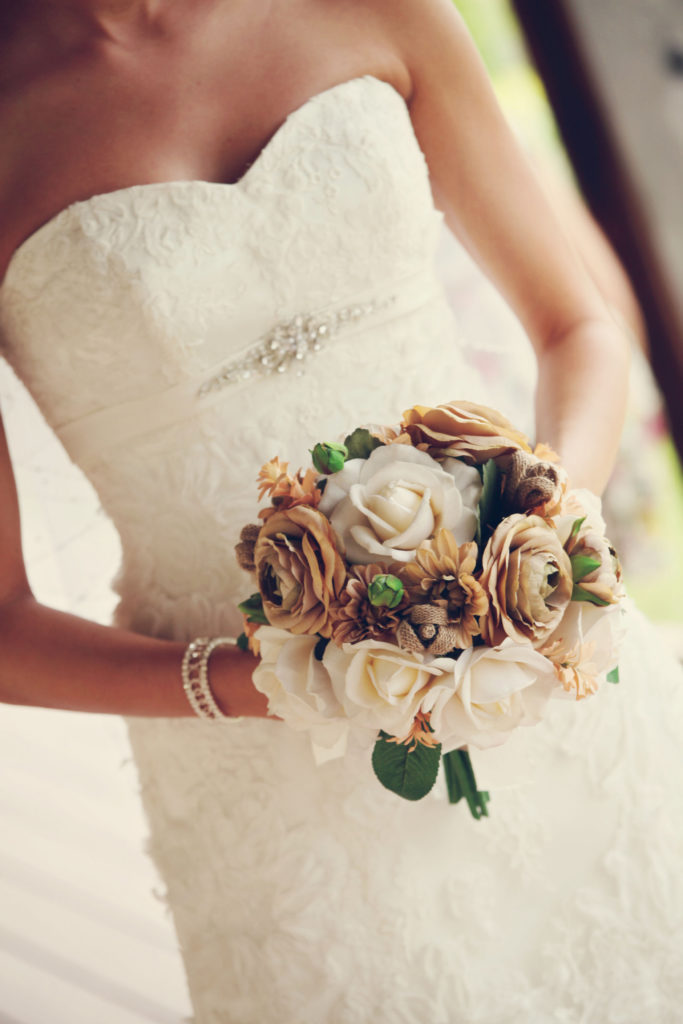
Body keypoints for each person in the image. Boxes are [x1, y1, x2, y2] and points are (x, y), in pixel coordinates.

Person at [1, 1, 681, 1021]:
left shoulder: (379, 7)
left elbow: (574, 322)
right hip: (264, 774)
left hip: (540, 655)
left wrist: (532, 537)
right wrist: (257, 681)